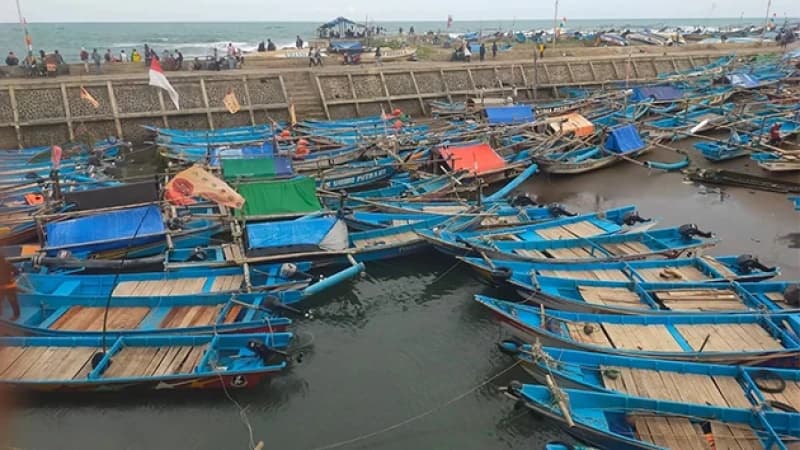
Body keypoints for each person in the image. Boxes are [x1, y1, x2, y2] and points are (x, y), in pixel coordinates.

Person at [0, 256, 20, 321]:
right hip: (2, 287)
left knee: (13, 301)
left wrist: (11, 277)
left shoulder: (7, 264)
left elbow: (16, 271)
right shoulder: (7, 263)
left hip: (10, 286)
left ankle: (16, 315)